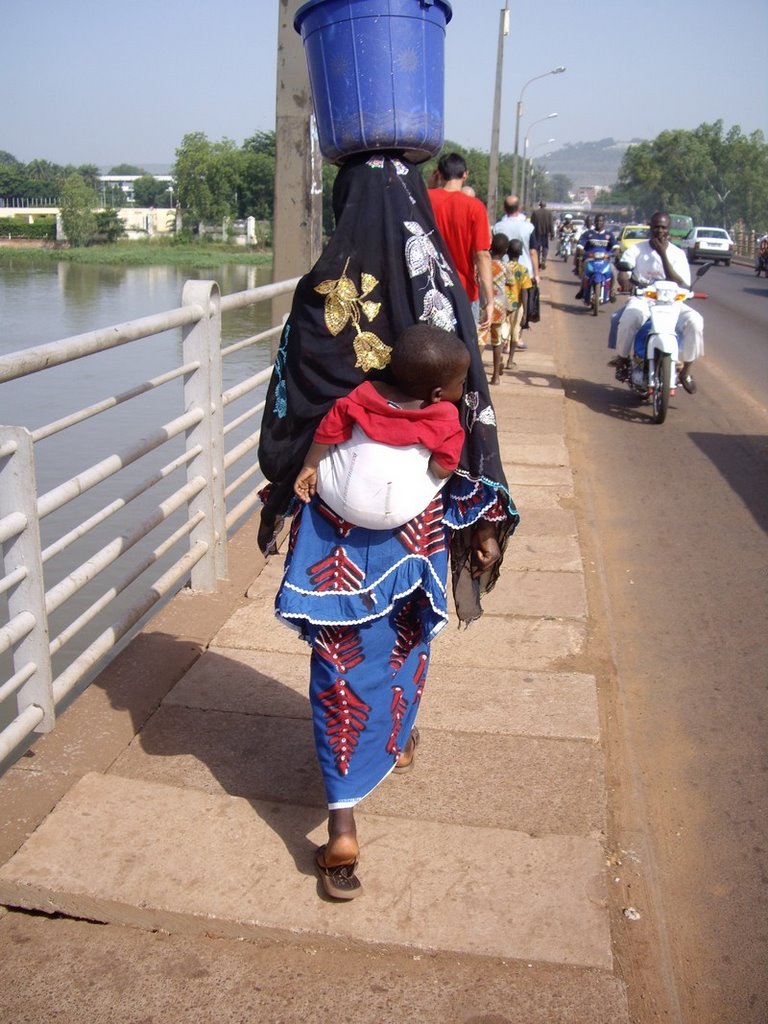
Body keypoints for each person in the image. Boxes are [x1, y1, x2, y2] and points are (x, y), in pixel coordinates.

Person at [257, 153, 518, 901]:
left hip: (334, 534)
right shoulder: (439, 296)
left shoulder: (321, 298)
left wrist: (305, 473)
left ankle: (342, 828)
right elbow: (473, 423)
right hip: (417, 532)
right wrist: (483, 522)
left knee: (340, 665)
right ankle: (398, 739)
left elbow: (291, 405)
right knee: (407, 637)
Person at [294, 324, 470, 525]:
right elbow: (441, 470)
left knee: (335, 441)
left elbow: (327, 431)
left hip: (333, 498)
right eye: (461, 383)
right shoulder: (445, 416)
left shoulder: (365, 394)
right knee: (445, 474)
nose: (463, 388)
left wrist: (310, 466)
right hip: (396, 514)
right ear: (437, 394)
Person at [613, 211, 703, 393]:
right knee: (629, 318)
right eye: (656, 227)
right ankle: (622, 360)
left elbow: (680, 282)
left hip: (671, 303)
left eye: (663, 227)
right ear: (650, 227)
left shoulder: (677, 253)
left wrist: (662, 254)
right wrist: (625, 281)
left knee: (696, 321)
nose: (659, 231)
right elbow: (624, 271)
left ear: (669, 230)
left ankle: (685, 371)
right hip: (644, 299)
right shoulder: (636, 249)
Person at [427, 152, 493, 328]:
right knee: (464, 351)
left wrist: (430, 186)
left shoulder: (424, 200)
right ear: (465, 174)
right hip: (463, 291)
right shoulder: (475, 207)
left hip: (428, 290)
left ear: (438, 173)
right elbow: (482, 255)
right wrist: (490, 300)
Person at [479, 233, 511, 385]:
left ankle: (476, 373)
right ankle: (495, 376)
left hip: (485, 304)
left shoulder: (484, 264)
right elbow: (510, 284)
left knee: (481, 339)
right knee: (497, 341)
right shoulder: (505, 266)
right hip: (499, 306)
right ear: (506, 251)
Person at [493, 195, 540, 282]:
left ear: (504, 209)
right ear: (519, 208)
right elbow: (533, 252)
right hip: (525, 273)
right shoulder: (529, 227)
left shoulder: (497, 227)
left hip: (503, 272)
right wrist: (536, 274)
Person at [575, 214, 619, 302]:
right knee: (585, 273)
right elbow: (580, 246)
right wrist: (583, 252)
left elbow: (616, 247)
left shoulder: (609, 235)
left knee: (613, 271)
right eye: (597, 221)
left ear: (604, 223)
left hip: (605, 260)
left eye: (601, 221)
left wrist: (614, 253)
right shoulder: (588, 234)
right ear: (594, 222)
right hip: (590, 259)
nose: (599, 223)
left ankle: (613, 292)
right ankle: (582, 290)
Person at [504, 238, 533, 369]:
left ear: (507, 252)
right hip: (517, 306)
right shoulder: (523, 270)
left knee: (501, 332)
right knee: (515, 332)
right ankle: (510, 361)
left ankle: (498, 357)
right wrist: (526, 313)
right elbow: (525, 292)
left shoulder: (502, 267)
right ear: (521, 253)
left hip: (502, 304)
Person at [529, 200, 554, 268]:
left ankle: (537, 261)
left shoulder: (535, 213)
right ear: (545, 205)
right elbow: (551, 224)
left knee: (537, 247)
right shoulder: (549, 213)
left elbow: (531, 224)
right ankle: (544, 260)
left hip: (537, 233)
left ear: (539, 205)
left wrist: (531, 233)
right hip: (545, 233)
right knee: (545, 247)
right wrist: (552, 233)